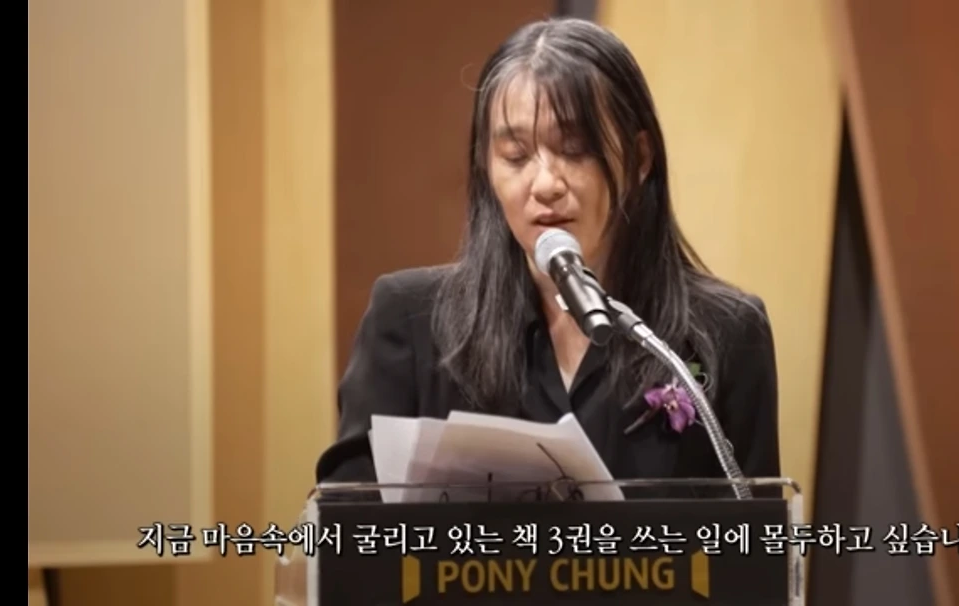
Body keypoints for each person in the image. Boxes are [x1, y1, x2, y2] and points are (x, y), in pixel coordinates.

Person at [314, 17, 780, 489]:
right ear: (486, 166)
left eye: (575, 150)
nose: (545, 184)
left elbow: (753, 527)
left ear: (639, 159)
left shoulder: (726, 332)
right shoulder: (409, 322)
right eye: (516, 156)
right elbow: (347, 519)